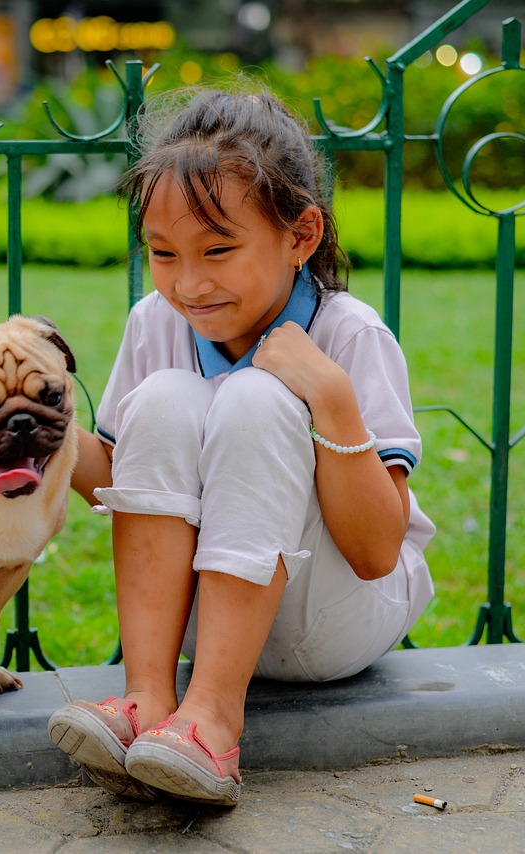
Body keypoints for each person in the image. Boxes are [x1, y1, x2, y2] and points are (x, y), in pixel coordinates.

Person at [47, 80, 436, 807]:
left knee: (256, 397)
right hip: (209, 615)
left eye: (218, 249)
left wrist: (331, 398)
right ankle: (150, 699)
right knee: (163, 397)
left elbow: (377, 553)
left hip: (337, 616)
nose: (188, 285)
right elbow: (122, 474)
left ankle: (216, 720)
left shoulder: (349, 334)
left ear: (301, 236)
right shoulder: (155, 324)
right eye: (163, 254)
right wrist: (45, 426)